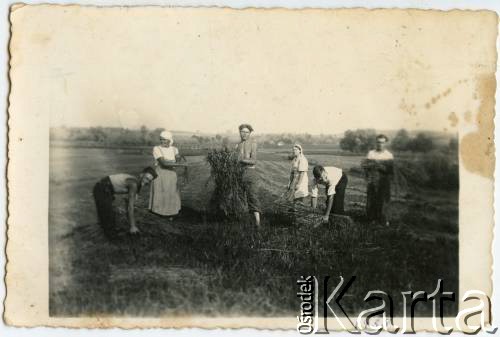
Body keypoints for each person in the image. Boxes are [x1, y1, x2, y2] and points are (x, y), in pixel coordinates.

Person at [93, 167, 157, 236]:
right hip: (102, 188)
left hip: (106, 188)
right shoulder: (133, 184)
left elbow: (129, 201)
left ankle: (110, 232)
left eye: (149, 181)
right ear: (141, 175)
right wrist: (132, 226)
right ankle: (111, 238)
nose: (147, 182)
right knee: (108, 216)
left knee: (109, 216)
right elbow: (130, 207)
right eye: (146, 178)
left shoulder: (137, 182)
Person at [149, 130, 185, 219]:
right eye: (161, 139)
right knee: (161, 191)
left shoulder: (174, 149)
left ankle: (170, 212)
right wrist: (179, 164)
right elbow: (163, 163)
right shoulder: (157, 148)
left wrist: (179, 158)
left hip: (171, 174)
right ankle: (159, 212)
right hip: (160, 173)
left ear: (169, 140)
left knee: (171, 192)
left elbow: (177, 159)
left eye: (164, 140)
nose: (162, 141)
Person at [363, 134, 394, 226]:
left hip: (384, 180)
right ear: (376, 143)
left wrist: (379, 166)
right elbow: (366, 167)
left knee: (383, 200)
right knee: (371, 200)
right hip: (372, 180)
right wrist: (368, 176)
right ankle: (371, 219)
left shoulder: (388, 155)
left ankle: (384, 220)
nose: (380, 144)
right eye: (378, 142)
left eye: (382, 142)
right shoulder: (371, 153)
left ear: (385, 143)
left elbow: (390, 170)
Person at [236, 123, 261, 227]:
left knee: (253, 197)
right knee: (240, 197)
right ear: (240, 132)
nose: (244, 134)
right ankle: (244, 222)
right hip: (240, 174)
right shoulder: (238, 145)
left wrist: (241, 160)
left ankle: (258, 224)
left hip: (250, 173)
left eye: (247, 132)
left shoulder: (253, 144)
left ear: (250, 133)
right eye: (242, 132)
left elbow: (253, 160)